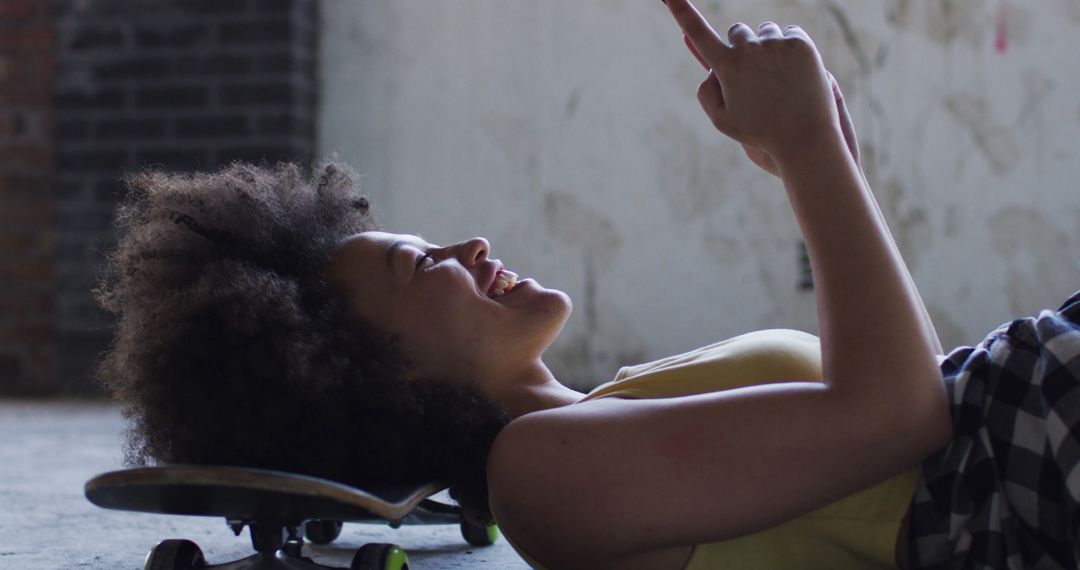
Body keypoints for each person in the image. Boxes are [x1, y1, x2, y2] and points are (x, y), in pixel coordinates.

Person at [94, 1, 1080, 568]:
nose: (468, 246)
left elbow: (893, 394)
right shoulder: (542, 481)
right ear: (372, 370)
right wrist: (809, 143)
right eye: (418, 266)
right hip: (1029, 462)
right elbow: (898, 419)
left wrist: (810, 153)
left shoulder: (599, 418)